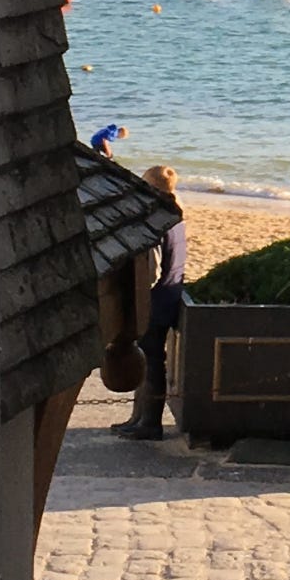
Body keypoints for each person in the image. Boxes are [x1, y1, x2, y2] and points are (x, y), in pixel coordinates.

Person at [111, 164, 186, 440]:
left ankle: (149, 423)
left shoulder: (156, 220)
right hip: (170, 292)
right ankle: (138, 417)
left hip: (156, 298)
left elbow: (152, 271)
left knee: (151, 359)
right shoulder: (175, 215)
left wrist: (136, 292)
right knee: (148, 355)